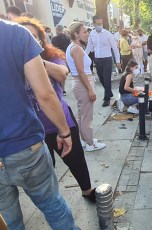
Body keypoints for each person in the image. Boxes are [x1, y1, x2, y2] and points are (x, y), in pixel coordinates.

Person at [0, 18, 78, 230]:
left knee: (9, 220)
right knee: (52, 204)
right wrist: (64, 131)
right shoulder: (15, 33)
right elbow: (45, 94)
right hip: (26, 145)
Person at [17, 17, 97, 203]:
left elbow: (63, 73)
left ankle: (87, 190)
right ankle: (53, 200)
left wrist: (30, 57)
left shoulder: (50, 57)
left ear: (41, 40)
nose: (29, 40)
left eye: (33, 37)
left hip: (60, 122)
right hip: (32, 129)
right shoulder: (10, 63)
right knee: (45, 169)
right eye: (24, 37)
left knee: (76, 160)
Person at [67, 22, 106, 152]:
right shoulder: (76, 48)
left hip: (80, 83)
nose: (87, 34)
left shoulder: (74, 47)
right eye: (84, 32)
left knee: (82, 115)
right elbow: (81, 71)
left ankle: (85, 140)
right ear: (76, 34)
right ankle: (89, 143)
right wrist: (89, 89)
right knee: (87, 116)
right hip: (82, 83)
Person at [85, 15, 121, 107]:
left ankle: (106, 99)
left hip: (107, 59)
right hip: (97, 59)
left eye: (101, 23)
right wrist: (83, 56)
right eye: (98, 24)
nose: (100, 25)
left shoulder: (107, 34)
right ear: (94, 24)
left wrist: (118, 61)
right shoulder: (92, 34)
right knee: (101, 79)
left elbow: (115, 48)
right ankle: (109, 92)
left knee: (107, 79)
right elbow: (89, 46)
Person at [52, 24, 71, 96]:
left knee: (57, 74)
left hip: (57, 58)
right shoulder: (67, 38)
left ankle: (59, 89)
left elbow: (53, 49)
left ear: (57, 30)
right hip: (65, 57)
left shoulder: (54, 39)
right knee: (63, 74)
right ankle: (63, 90)